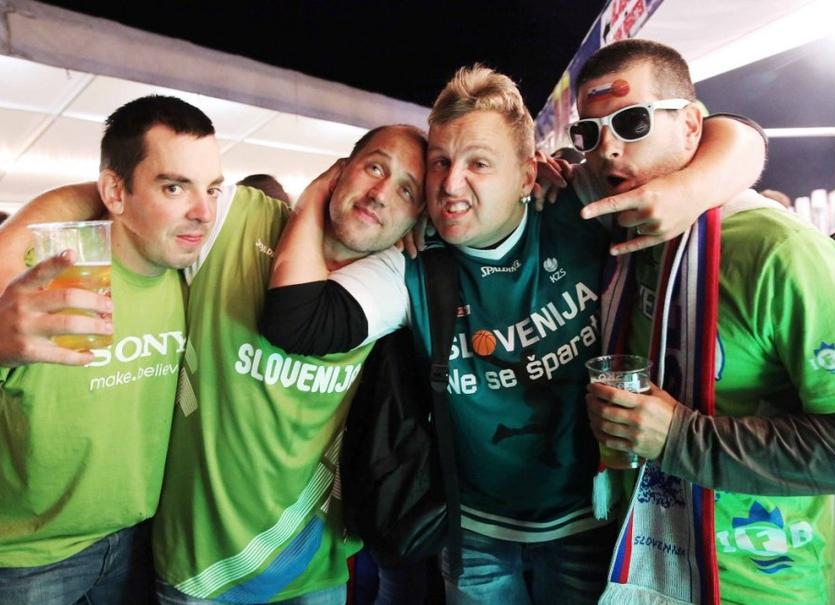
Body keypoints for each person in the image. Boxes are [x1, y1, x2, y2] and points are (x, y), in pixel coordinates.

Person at [262, 64, 765, 604]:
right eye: (440, 162)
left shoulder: (578, 202)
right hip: (475, 531)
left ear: (527, 177)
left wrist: (688, 190)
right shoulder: (415, 263)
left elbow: (738, 137)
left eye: (479, 163)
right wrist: (319, 192)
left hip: (588, 520)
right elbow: (297, 322)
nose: (451, 183)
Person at [0, 123, 427, 604]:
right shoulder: (234, 220)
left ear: (416, 217)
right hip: (197, 571)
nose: (381, 193)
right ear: (340, 170)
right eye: (374, 168)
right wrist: (7, 239)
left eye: (407, 190)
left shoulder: (397, 282)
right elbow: (140, 189)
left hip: (310, 566)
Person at [578, 40, 835, 605]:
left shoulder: (781, 249)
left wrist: (681, 438)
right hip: (634, 569)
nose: (608, 148)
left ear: (692, 125)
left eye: (632, 121)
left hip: (761, 583)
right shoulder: (619, 234)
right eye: (588, 134)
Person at [0, 94, 222, 605]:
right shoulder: (39, 270)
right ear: (115, 191)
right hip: (22, 559)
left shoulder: (196, 274)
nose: (203, 212)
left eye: (212, 189)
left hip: (137, 540)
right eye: (174, 187)